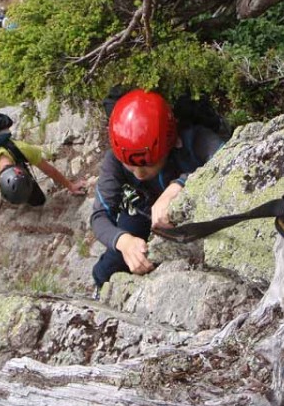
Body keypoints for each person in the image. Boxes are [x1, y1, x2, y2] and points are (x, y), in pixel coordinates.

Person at [90, 89, 225, 297]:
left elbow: (226, 158)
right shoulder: (114, 161)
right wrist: (124, 242)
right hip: (142, 211)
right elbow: (99, 216)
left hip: (190, 211)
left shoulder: (194, 139)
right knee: (109, 266)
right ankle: (101, 289)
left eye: (148, 164)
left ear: (170, 144)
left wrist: (180, 184)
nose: (139, 174)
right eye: (130, 166)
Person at [0, 139, 86, 221]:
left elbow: (49, 170)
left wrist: (70, 186)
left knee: (38, 201)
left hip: (3, 165)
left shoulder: (22, 149)